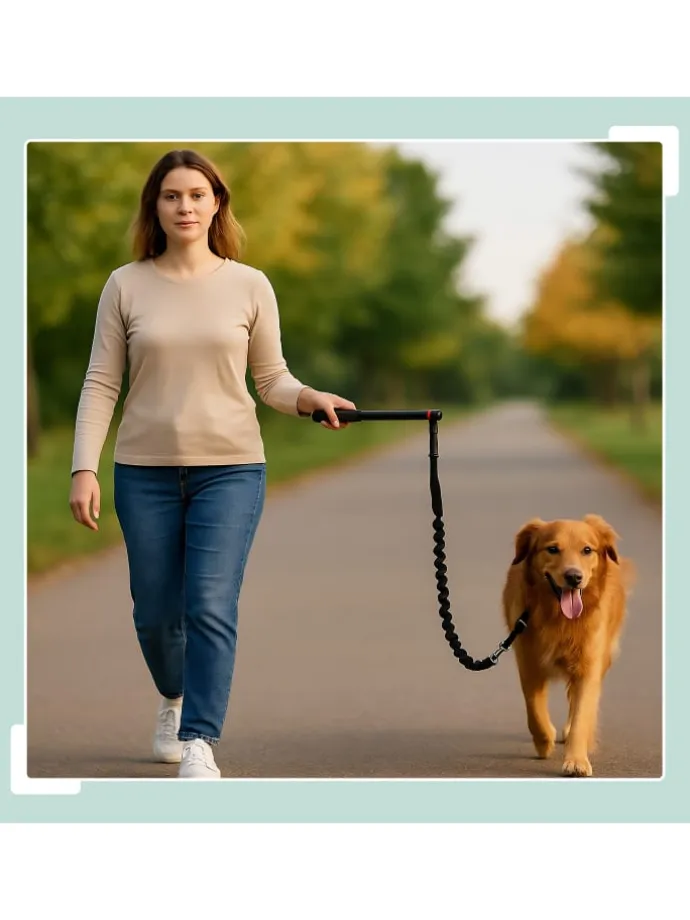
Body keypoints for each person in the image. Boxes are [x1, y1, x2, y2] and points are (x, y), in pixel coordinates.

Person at [69, 148, 356, 779]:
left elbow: (272, 380)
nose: (185, 206)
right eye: (172, 196)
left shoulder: (249, 284)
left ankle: (199, 739)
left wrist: (308, 398)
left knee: (209, 602)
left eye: (197, 195)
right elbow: (99, 383)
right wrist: (83, 467)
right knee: (154, 613)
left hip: (230, 469)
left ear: (217, 203)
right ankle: (173, 698)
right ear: (156, 206)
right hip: (143, 472)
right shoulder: (126, 284)